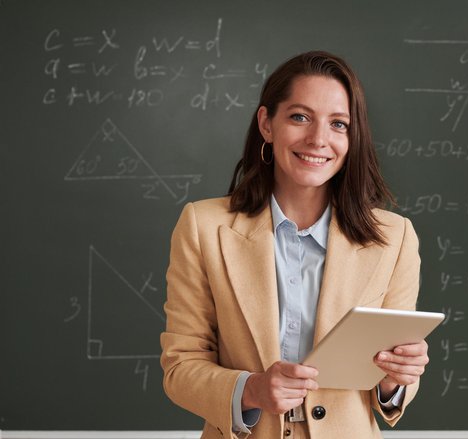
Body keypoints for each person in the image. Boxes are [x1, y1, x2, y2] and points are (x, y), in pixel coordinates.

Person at [161, 51, 429, 439]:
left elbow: (386, 389)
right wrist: (251, 390)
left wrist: (398, 377)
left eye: (339, 124)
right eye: (300, 117)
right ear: (267, 124)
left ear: (353, 138)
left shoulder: (394, 238)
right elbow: (180, 367)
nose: (318, 139)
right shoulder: (204, 227)